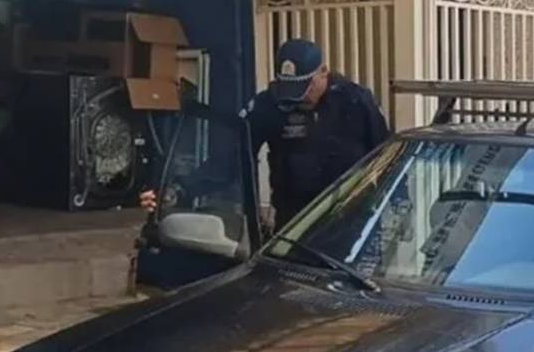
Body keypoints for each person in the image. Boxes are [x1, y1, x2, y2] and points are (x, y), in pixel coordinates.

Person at [141, 38, 390, 228]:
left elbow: (386, 156)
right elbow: (233, 160)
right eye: (290, 88)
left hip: (352, 221)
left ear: (323, 71)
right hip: (295, 224)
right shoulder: (270, 105)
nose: (298, 98)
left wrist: (396, 206)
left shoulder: (355, 102)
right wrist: (180, 190)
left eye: (306, 88)